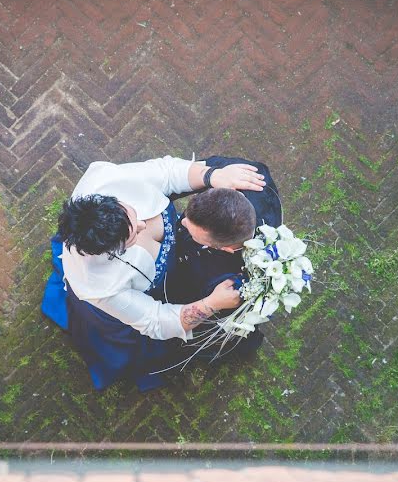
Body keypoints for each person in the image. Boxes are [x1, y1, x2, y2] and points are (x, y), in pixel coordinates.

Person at [41, 155, 265, 391]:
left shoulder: (104, 180)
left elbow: (165, 173)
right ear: (111, 252)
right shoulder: (101, 284)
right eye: (132, 237)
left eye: (131, 214)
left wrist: (213, 175)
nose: (141, 225)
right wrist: (211, 304)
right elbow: (155, 320)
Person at [158, 156, 282, 362]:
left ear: (225, 248)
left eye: (192, 230)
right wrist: (210, 176)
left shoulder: (224, 279)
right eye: (188, 214)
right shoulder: (247, 175)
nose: (183, 222)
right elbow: (181, 175)